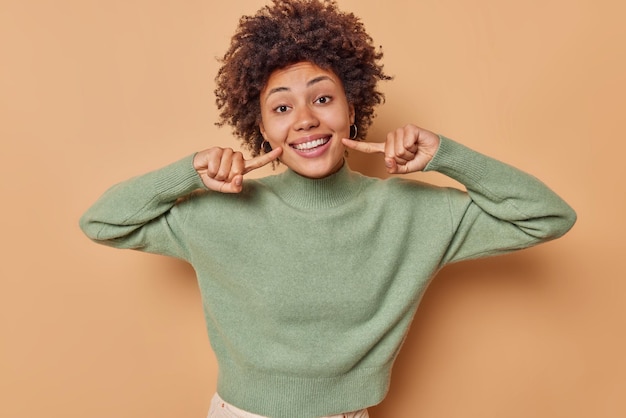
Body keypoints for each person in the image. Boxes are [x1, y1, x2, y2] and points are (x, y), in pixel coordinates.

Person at [79, 0, 577, 417]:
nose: (304, 120)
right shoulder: (218, 211)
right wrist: (189, 172)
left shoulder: (410, 211)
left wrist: (445, 155)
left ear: (352, 109)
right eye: (281, 107)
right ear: (261, 128)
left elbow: (547, 216)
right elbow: (102, 221)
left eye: (322, 99)